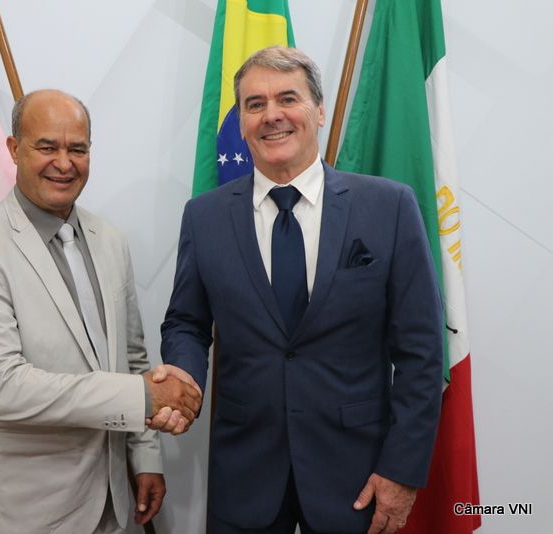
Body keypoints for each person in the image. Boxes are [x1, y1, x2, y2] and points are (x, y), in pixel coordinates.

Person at [157, 46, 443, 533]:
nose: (272, 115)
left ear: (319, 110)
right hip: (243, 475)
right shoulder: (204, 216)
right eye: (255, 104)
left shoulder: (388, 207)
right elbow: (187, 321)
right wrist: (185, 377)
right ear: (241, 122)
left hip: (356, 477)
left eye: (287, 98)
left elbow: (421, 350)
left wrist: (401, 469)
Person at [0, 89, 201, 534]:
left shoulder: (110, 240)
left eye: (77, 149)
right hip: (24, 513)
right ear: (14, 149)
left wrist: (145, 458)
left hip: (114, 503)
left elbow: (132, 358)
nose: (64, 163)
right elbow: (0, 387)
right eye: (47, 147)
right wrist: (143, 397)